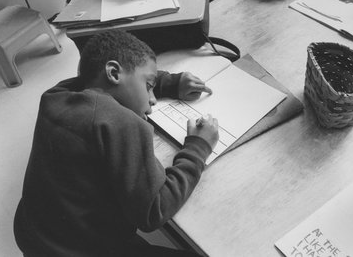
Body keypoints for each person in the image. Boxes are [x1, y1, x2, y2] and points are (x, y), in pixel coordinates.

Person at [14, 30, 219, 257]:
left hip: (37, 237)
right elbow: (154, 210)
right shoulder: (118, 122)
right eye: (149, 85)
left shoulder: (55, 95)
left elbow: (91, 77)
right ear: (113, 73)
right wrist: (198, 147)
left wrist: (167, 83)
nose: (152, 100)